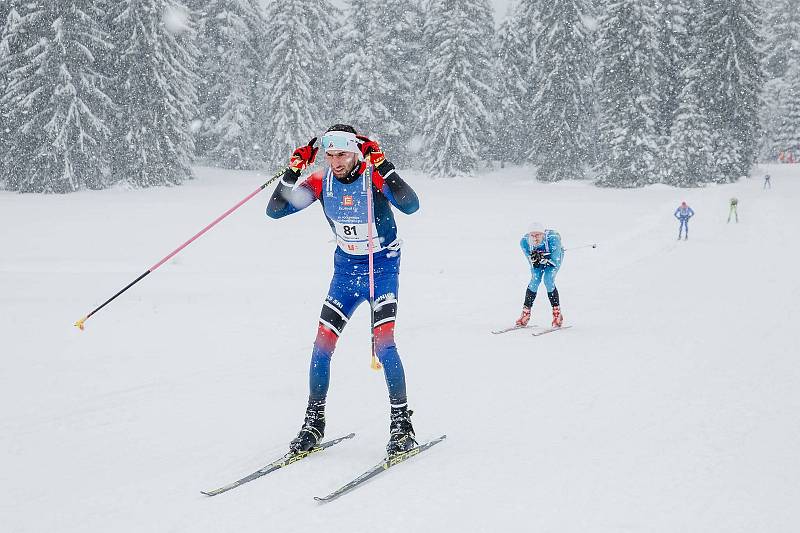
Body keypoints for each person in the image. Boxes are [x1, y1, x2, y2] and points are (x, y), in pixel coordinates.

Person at [266, 124, 420, 456]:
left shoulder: (373, 176)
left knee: (385, 345)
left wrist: (384, 166)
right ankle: (314, 422)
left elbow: (411, 205)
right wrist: (292, 172)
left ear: (356, 152)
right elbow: (276, 210)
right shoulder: (322, 181)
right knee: (322, 345)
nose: (336, 162)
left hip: (382, 269)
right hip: (346, 272)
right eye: (330, 155)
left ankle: (401, 424)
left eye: (343, 154)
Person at [515, 223, 564, 328]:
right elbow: (531, 261)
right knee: (534, 280)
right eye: (532, 235)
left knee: (548, 280)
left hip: (553, 259)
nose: (535, 238)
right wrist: (535, 260)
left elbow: (555, 261)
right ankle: (525, 313)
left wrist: (544, 259)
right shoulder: (524, 242)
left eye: (538, 235)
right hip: (540, 260)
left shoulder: (553, 239)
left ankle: (557, 314)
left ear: (543, 234)